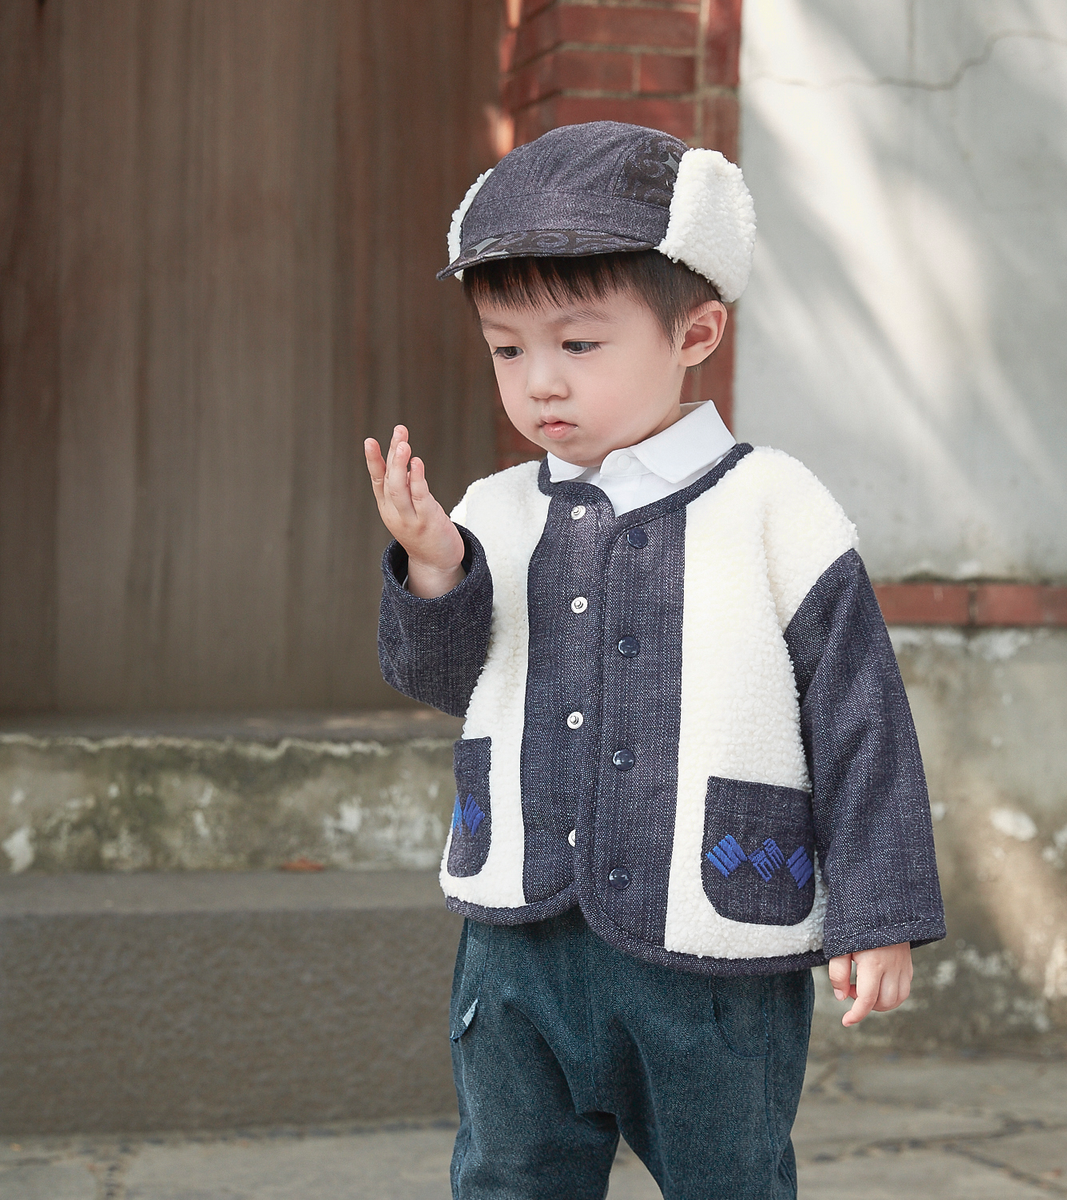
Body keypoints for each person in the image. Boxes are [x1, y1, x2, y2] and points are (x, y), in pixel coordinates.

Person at [364, 121, 944, 1200]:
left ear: (697, 331)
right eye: (506, 348)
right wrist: (436, 570)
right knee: (507, 1175)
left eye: (579, 345)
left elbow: (859, 714)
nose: (540, 383)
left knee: (731, 1179)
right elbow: (441, 682)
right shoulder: (490, 512)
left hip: (716, 953)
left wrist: (882, 911)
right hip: (518, 944)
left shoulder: (776, 506)